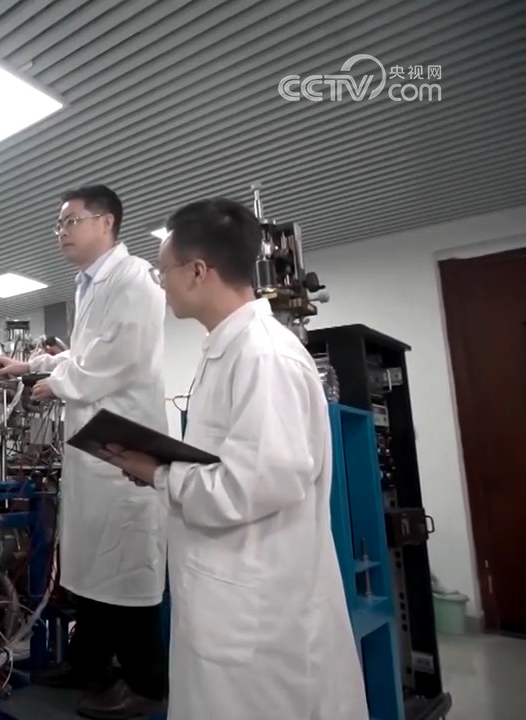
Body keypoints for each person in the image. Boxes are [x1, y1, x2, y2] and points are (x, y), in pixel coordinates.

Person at [98, 199, 369, 719]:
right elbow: (230, 465)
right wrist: (161, 470)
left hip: (260, 621)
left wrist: (160, 472)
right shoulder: (227, 350)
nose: (161, 283)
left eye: (163, 271)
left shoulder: (264, 356)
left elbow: (251, 488)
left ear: (198, 271)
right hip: (228, 601)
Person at [0, 185, 169, 718]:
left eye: (71, 221)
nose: (61, 231)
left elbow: (121, 360)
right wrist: (29, 367)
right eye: (58, 223)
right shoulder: (87, 284)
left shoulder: (134, 280)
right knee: (90, 563)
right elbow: (83, 356)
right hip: (93, 449)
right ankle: (90, 664)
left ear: (106, 222)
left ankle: (146, 683)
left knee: (126, 566)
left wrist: (56, 384)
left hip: (124, 448)